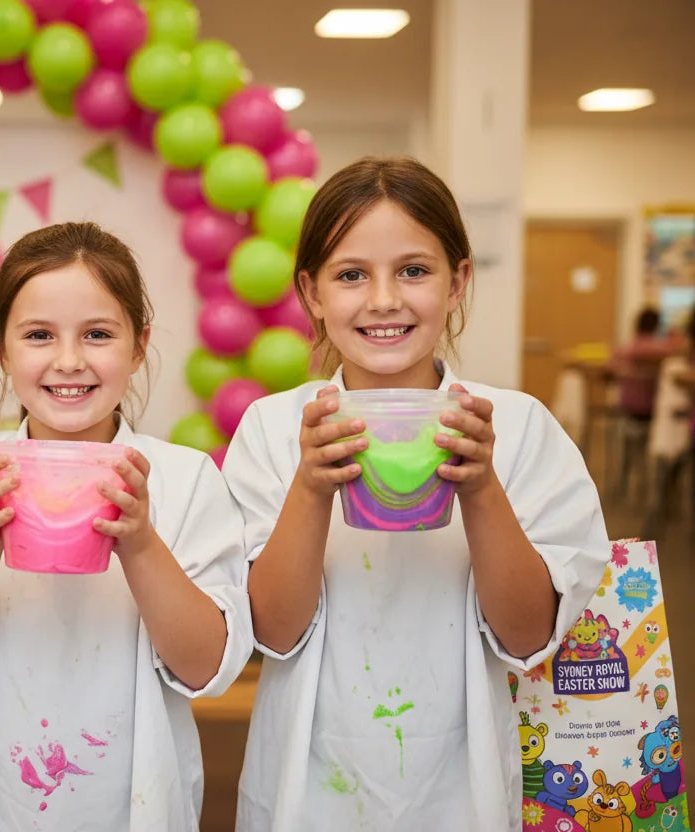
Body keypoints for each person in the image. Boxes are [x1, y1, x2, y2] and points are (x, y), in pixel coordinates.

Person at [223, 157, 611, 831]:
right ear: (311, 292)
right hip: (308, 788)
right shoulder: (275, 429)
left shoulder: (516, 430)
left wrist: (483, 487)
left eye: (413, 269)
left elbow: (527, 636)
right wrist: (311, 490)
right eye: (351, 275)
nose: (383, 300)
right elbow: (272, 633)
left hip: (463, 789)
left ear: (458, 280)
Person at [0, 221, 252, 831]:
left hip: (144, 807)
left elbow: (205, 670)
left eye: (97, 334)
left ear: (139, 345)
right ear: (1, 347)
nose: (68, 361)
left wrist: (140, 543)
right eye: (38, 335)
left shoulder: (184, 478)